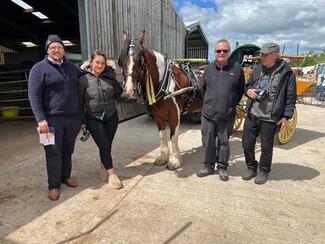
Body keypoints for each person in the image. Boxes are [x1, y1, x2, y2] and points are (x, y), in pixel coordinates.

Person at [28, 34, 83, 201]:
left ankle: (65, 176)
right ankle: (53, 185)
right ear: (47, 50)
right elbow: (34, 95)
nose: (57, 50)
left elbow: (87, 78)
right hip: (49, 120)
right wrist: (40, 119)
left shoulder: (72, 68)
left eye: (59, 47)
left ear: (64, 50)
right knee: (52, 153)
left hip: (72, 119)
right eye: (53, 47)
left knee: (68, 150)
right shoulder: (39, 68)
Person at [242, 43, 296, 184]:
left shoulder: (286, 73)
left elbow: (291, 97)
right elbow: (247, 86)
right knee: (247, 144)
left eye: (265, 55)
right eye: (261, 54)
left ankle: (264, 171)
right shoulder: (257, 69)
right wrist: (248, 91)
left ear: (275, 54)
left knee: (266, 148)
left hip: (270, 118)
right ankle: (251, 167)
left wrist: (286, 117)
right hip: (252, 114)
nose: (262, 57)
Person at [78, 50, 128, 189]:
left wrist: (128, 94)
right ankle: (112, 175)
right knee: (104, 145)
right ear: (91, 63)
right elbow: (79, 103)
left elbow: (119, 97)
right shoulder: (83, 79)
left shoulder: (111, 78)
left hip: (112, 117)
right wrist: (82, 121)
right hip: (94, 118)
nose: (100, 65)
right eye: (97, 62)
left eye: (102, 63)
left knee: (107, 144)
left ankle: (102, 166)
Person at [196, 39, 245, 181]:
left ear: (229, 52)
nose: (221, 53)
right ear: (214, 53)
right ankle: (208, 166)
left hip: (227, 115)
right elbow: (204, 89)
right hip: (208, 115)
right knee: (208, 142)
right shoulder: (209, 70)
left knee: (224, 142)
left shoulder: (237, 69)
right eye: (218, 51)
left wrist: (230, 104)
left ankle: (222, 167)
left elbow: (240, 90)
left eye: (224, 50)